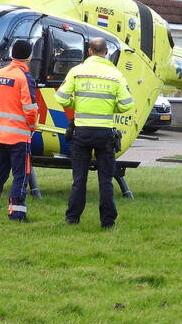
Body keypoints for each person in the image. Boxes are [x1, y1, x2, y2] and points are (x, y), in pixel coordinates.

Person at [55, 37, 133, 228]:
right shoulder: (115, 74)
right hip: (105, 133)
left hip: (81, 132)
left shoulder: (77, 71)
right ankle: (107, 222)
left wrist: (78, 103)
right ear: (106, 52)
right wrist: (109, 107)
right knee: (105, 180)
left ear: (89, 51)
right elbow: (127, 104)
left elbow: (61, 97)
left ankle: (72, 218)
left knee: (79, 179)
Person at [0, 39, 39, 221]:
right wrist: (32, 126)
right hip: (19, 137)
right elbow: (30, 109)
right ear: (29, 57)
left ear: (12, 54)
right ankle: (17, 213)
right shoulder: (24, 78)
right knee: (21, 175)